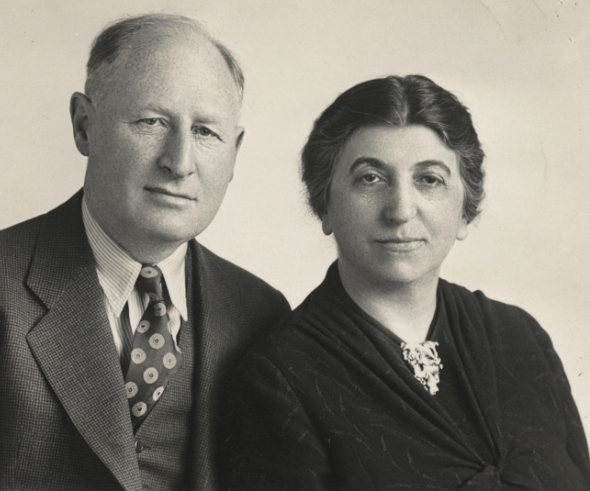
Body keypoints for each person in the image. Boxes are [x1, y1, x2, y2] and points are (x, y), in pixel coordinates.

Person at [0, 14, 289, 491]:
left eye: (206, 132)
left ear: (234, 153)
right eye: (152, 122)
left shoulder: (260, 312)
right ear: (84, 126)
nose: (180, 162)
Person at [218, 75, 590, 490]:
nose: (400, 210)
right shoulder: (279, 377)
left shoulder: (519, 337)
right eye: (370, 178)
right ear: (324, 204)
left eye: (429, 179)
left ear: (465, 210)